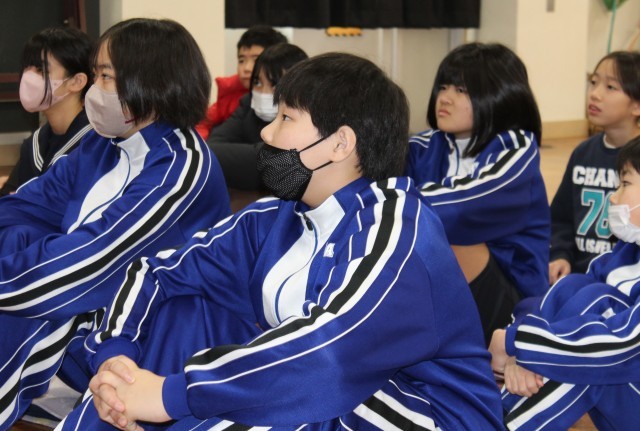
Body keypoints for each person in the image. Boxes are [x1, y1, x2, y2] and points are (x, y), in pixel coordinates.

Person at [57, 52, 504, 431]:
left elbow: (328, 357)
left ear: (340, 144)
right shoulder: (278, 216)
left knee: (274, 396)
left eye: (286, 118)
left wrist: (170, 395)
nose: (267, 134)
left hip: (426, 412)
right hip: (329, 389)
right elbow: (157, 271)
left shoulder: (396, 229)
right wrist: (115, 359)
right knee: (183, 311)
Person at [0, 18, 230, 430]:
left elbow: (93, 260)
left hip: (145, 333)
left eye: (105, 77)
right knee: (20, 235)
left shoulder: (181, 164)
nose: (94, 89)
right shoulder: (102, 143)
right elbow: (27, 205)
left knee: (39, 282)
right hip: (86, 315)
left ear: (151, 81)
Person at [489, 135, 640, 431]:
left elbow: (624, 345)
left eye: (625, 184)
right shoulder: (625, 252)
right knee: (576, 288)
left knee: (587, 352)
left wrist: (518, 344)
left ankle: (500, 421)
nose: (613, 197)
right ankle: (497, 416)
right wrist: (521, 347)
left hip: (624, 374)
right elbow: (564, 296)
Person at [405, 42, 550, 345]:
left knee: (445, 236)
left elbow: (464, 208)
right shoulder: (424, 146)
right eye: (443, 86)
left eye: (461, 90)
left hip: (512, 294)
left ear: (500, 96)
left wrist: (393, 203)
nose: (445, 98)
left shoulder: (516, 147)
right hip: (447, 289)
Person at [549, 51, 640, 284]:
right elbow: (560, 218)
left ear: (637, 105)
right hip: (579, 274)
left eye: (610, 87)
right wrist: (560, 254)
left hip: (623, 279)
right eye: (593, 82)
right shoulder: (583, 153)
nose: (595, 94)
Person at [0, 26, 93, 196]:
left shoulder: (94, 144)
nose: (28, 77)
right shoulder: (34, 144)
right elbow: (8, 199)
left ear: (76, 82)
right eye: (27, 68)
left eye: (40, 70)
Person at [207, 42, 308, 190]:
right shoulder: (248, 104)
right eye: (258, 82)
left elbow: (267, 161)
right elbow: (210, 148)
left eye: (274, 85)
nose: (264, 93)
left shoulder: (306, 120)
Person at [194, 25, 287, 140]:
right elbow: (204, 123)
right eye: (241, 60)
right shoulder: (229, 92)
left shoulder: (287, 100)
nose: (246, 68)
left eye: (256, 60)